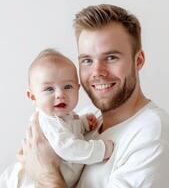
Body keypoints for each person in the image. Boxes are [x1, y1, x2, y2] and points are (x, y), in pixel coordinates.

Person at [17, 4, 169, 187]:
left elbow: (44, 166)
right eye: (87, 60)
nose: (97, 72)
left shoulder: (152, 138)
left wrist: (46, 174)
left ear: (138, 60)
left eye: (111, 58)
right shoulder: (88, 117)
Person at [0, 49, 114, 187]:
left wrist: (84, 123)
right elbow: (69, 147)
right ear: (33, 97)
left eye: (67, 86)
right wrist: (101, 150)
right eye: (49, 89)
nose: (60, 94)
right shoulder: (49, 121)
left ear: (78, 89)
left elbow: (70, 128)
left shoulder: (65, 115)